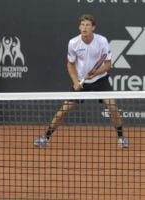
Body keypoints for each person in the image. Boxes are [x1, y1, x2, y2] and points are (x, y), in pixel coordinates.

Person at [34, 14, 128, 148]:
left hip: (100, 80)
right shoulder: (73, 43)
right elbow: (70, 64)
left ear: (93, 27)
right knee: (64, 109)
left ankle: (121, 138)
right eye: (82, 25)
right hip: (81, 81)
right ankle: (46, 137)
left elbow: (108, 64)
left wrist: (96, 72)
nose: (84, 28)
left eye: (88, 25)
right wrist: (75, 81)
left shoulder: (102, 41)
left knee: (112, 107)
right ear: (79, 27)